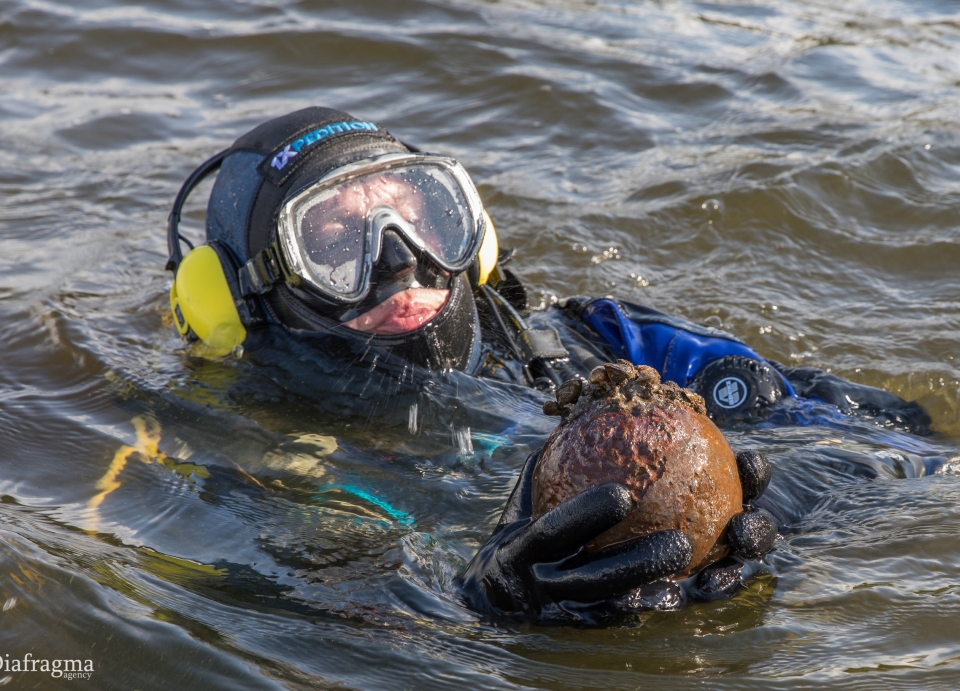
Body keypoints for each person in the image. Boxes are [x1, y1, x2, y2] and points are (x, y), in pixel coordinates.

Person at [165, 106, 934, 620]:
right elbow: (324, 631)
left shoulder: (610, 342)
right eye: (335, 243)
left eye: (421, 215)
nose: (402, 260)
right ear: (240, 293)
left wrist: (782, 508)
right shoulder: (245, 455)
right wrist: (487, 608)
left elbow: (903, 441)